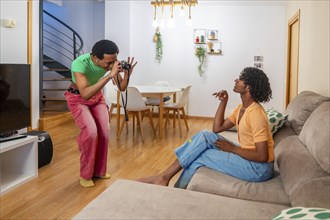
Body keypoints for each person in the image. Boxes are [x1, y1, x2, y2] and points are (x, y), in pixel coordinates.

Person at [138, 67, 274, 188]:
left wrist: (232, 149)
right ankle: (164, 177)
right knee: (205, 135)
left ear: (248, 87)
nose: (236, 80)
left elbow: (262, 156)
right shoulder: (242, 109)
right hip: (249, 158)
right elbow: (217, 128)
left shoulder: (256, 114)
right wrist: (223, 102)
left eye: (240, 79)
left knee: (201, 155)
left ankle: (173, 187)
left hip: (258, 169)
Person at [65, 39, 137, 188]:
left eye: (114, 61)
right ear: (96, 58)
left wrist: (127, 75)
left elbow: (122, 88)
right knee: (91, 132)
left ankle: (99, 171)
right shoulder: (79, 64)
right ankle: (85, 174)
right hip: (78, 98)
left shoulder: (111, 63)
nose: (111, 65)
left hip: (97, 98)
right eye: (108, 63)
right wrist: (110, 75)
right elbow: (84, 93)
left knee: (104, 131)